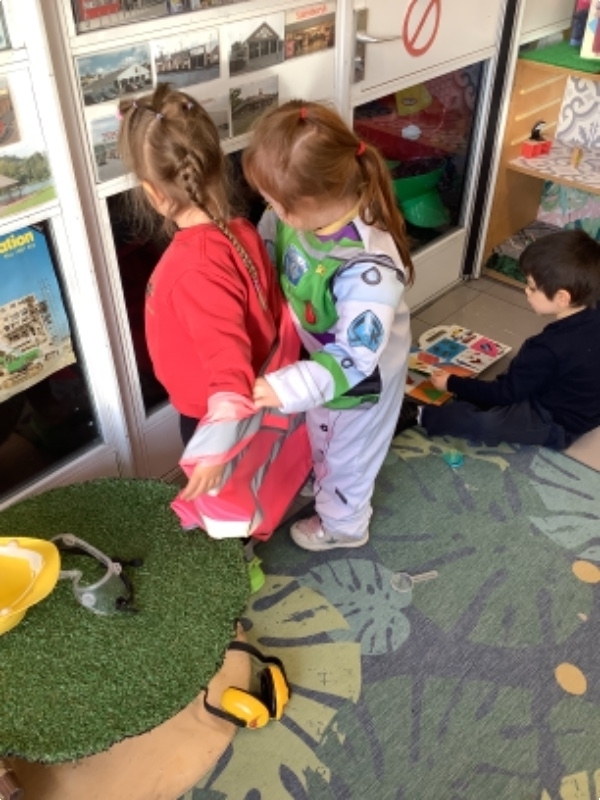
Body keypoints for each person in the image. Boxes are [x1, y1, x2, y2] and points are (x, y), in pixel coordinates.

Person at [117, 84, 311, 563]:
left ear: (152, 194)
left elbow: (227, 362)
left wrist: (212, 448)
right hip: (243, 400)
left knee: (224, 497)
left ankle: (234, 562)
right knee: (242, 477)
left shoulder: (193, 267)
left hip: (212, 413)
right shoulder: (238, 228)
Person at [242, 100, 415, 552]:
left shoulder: (369, 270)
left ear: (308, 202)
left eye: (273, 202)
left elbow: (355, 358)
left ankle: (344, 525)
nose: (269, 209)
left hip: (361, 378)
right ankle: (325, 478)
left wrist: (284, 386)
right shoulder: (298, 215)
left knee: (349, 456)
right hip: (322, 360)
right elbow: (269, 240)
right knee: (323, 428)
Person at [397, 229, 600, 449]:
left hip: (558, 422)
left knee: (488, 423)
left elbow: (505, 394)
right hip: (576, 399)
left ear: (562, 298)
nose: (526, 291)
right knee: (500, 392)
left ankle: (420, 414)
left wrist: (452, 383)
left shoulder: (546, 348)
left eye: (532, 287)